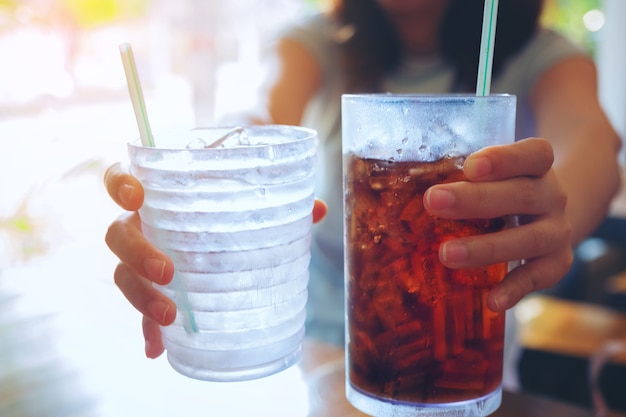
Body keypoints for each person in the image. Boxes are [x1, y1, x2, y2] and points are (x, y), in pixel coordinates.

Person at [104, 0, 622, 385]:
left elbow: (594, 144)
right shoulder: (316, 42)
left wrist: (555, 210)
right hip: (310, 357)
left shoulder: (539, 53)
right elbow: (260, 113)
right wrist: (197, 186)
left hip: (459, 361)